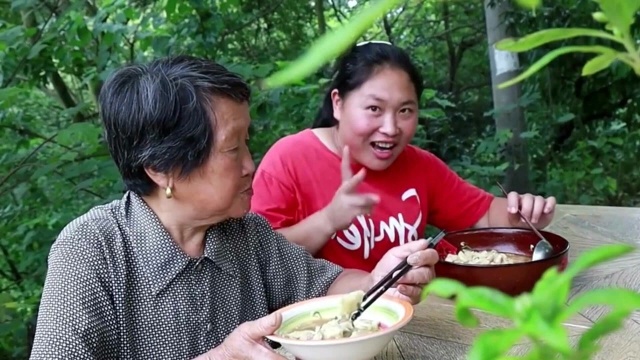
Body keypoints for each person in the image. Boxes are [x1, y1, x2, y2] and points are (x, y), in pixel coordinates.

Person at [29, 55, 439, 360]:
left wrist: (382, 278)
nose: (250, 164)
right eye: (231, 148)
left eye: (248, 142)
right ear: (162, 167)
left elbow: (328, 287)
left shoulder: (244, 233)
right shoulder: (92, 249)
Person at [250, 41, 557, 273]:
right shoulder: (289, 159)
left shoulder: (419, 165)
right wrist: (330, 219)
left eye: (405, 111)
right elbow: (256, 259)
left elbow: (486, 215)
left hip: (416, 321)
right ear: (338, 104)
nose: (390, 128)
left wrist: (525, 212)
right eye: (374, 109)